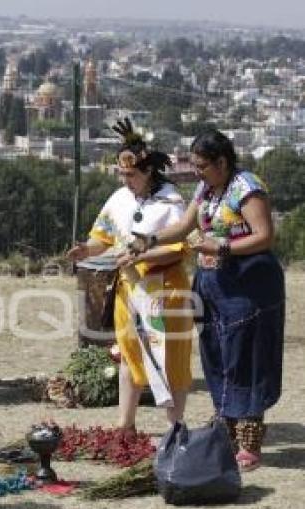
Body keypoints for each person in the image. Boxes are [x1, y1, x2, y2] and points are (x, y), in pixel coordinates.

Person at [131, 129, 284, 471]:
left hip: (249, 285)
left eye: (202, 165)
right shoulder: (206, 189)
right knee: (215, 352)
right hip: (212, 285)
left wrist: (223, 247)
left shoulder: (246, 187)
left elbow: (264, 236)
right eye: (195, 165)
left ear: (222, 161)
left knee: (244, 355)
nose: (196, 171)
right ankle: (226, 428)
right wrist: (149, 240)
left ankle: (249, 438)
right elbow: (185, 227)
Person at [68, 118, 192, 431]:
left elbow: (179, 249)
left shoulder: (171, 202)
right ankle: (125, 424)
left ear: (148, 171)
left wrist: (142, 253)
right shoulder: (119, 199)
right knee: (128, 353)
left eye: (131, 175)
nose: (125, 181)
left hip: (166, 289)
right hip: (129, 288)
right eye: (122, 174)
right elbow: (104, 237)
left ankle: (175, 428)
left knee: (172, 357)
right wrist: (86, 249)